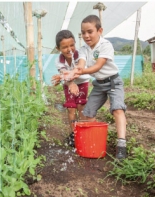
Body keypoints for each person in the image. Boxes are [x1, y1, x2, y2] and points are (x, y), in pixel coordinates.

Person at [63, 15, 128, 160]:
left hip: (113, 82)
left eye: (90, 31)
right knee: (88, 113)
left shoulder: (105, 45)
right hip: (99, 84)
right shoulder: (84, 49)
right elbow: (81, 64)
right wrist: (72, 72)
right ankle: (93, 140)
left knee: (117, 109)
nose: (86, 35)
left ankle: (121, 145)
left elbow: (97, 66)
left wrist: (78, 71)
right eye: (83, 32)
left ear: (100, 30)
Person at [51, 30, 90, 147]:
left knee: (81, 106)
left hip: (83, 82)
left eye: (72, 45)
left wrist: (66, 78)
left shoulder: (81, 56)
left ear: (75, 44)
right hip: (68, 84)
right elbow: (63, 74)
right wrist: (70, 83)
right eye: (64, 47)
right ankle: (74, 133)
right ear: (58, 48)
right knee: (71, 108)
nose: (69, 49)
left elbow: (79, 70)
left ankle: (84, 132)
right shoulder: (59, 61)